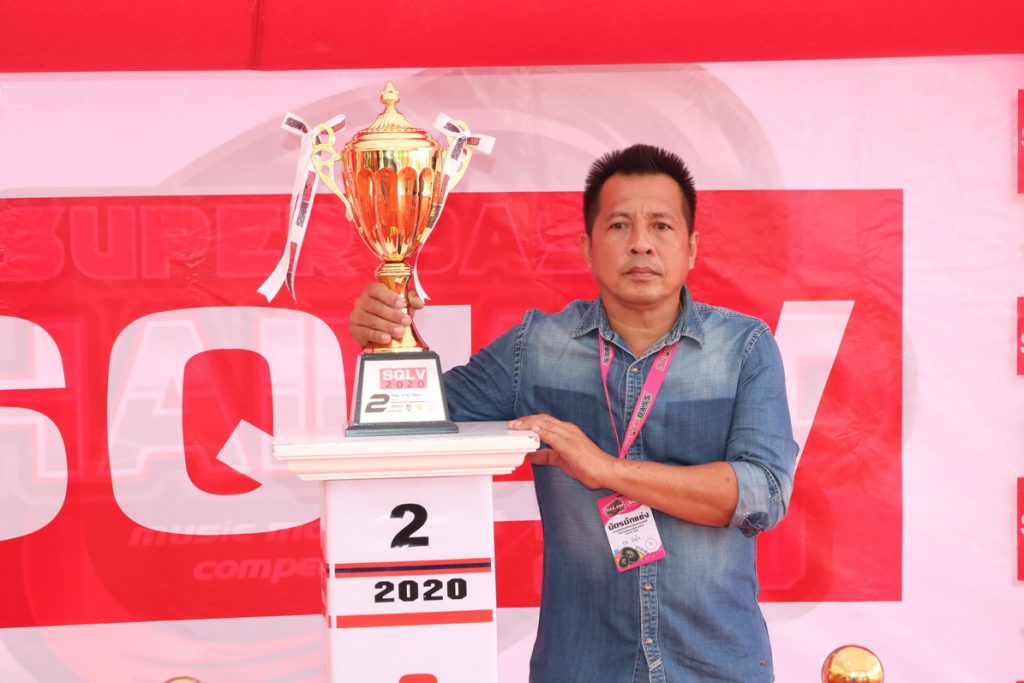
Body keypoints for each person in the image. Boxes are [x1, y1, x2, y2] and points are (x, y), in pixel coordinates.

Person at [349, 144, 798, 683]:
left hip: (714, 665)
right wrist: (386, 342)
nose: (641, 244)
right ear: (587, 247)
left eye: (661, 226)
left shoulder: (743, 348)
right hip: (583, 665)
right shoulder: (538, 348)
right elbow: (411, 416)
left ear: (691, 248)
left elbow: (763, 494)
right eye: (619, 225)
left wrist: (605, 469)